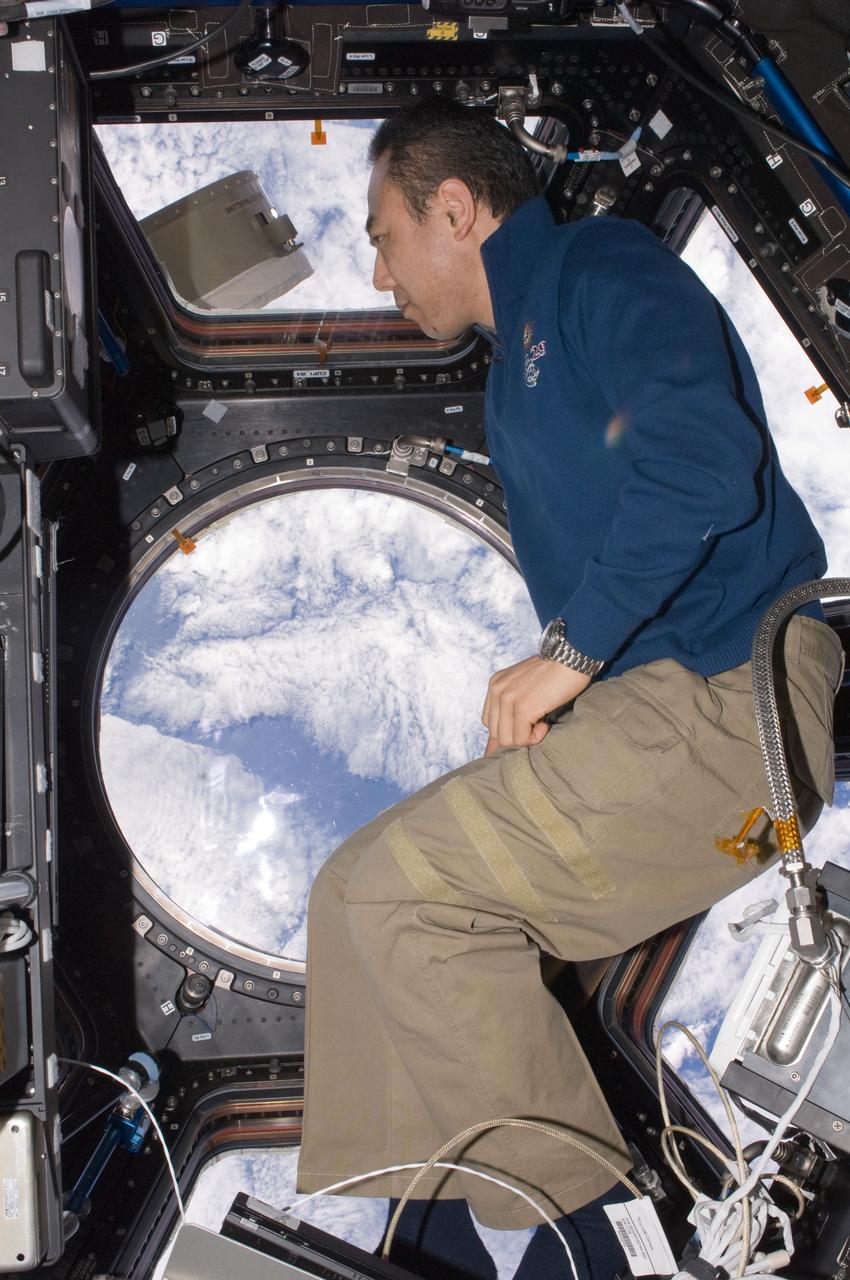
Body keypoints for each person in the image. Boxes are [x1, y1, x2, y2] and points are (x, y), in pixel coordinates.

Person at [295, 99, 844, 1279]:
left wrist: (569, 651)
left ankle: (596, 1249)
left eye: (384, 236)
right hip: (668, 721)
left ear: (455, 207)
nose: (380, 272)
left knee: (400, 894)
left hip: (732, 703)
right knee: (353, 899)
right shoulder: (512, 381)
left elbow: (703, 460)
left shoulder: (597, 265)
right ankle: (443, 1244)